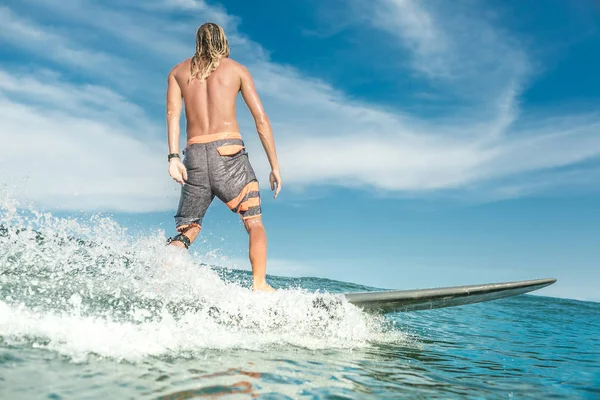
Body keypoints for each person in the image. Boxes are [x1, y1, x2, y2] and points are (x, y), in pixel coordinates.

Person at [164, 22, 281, 292]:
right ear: (222, 40)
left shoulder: (178, 72)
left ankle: (162, 277)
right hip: (229, 155)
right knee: (254, 222)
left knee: (188, 229)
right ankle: (259, 285)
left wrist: (172, 157)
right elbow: (260, 120)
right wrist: (274, 166)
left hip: (193, 156)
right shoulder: (237, 70)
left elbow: (172, 115)